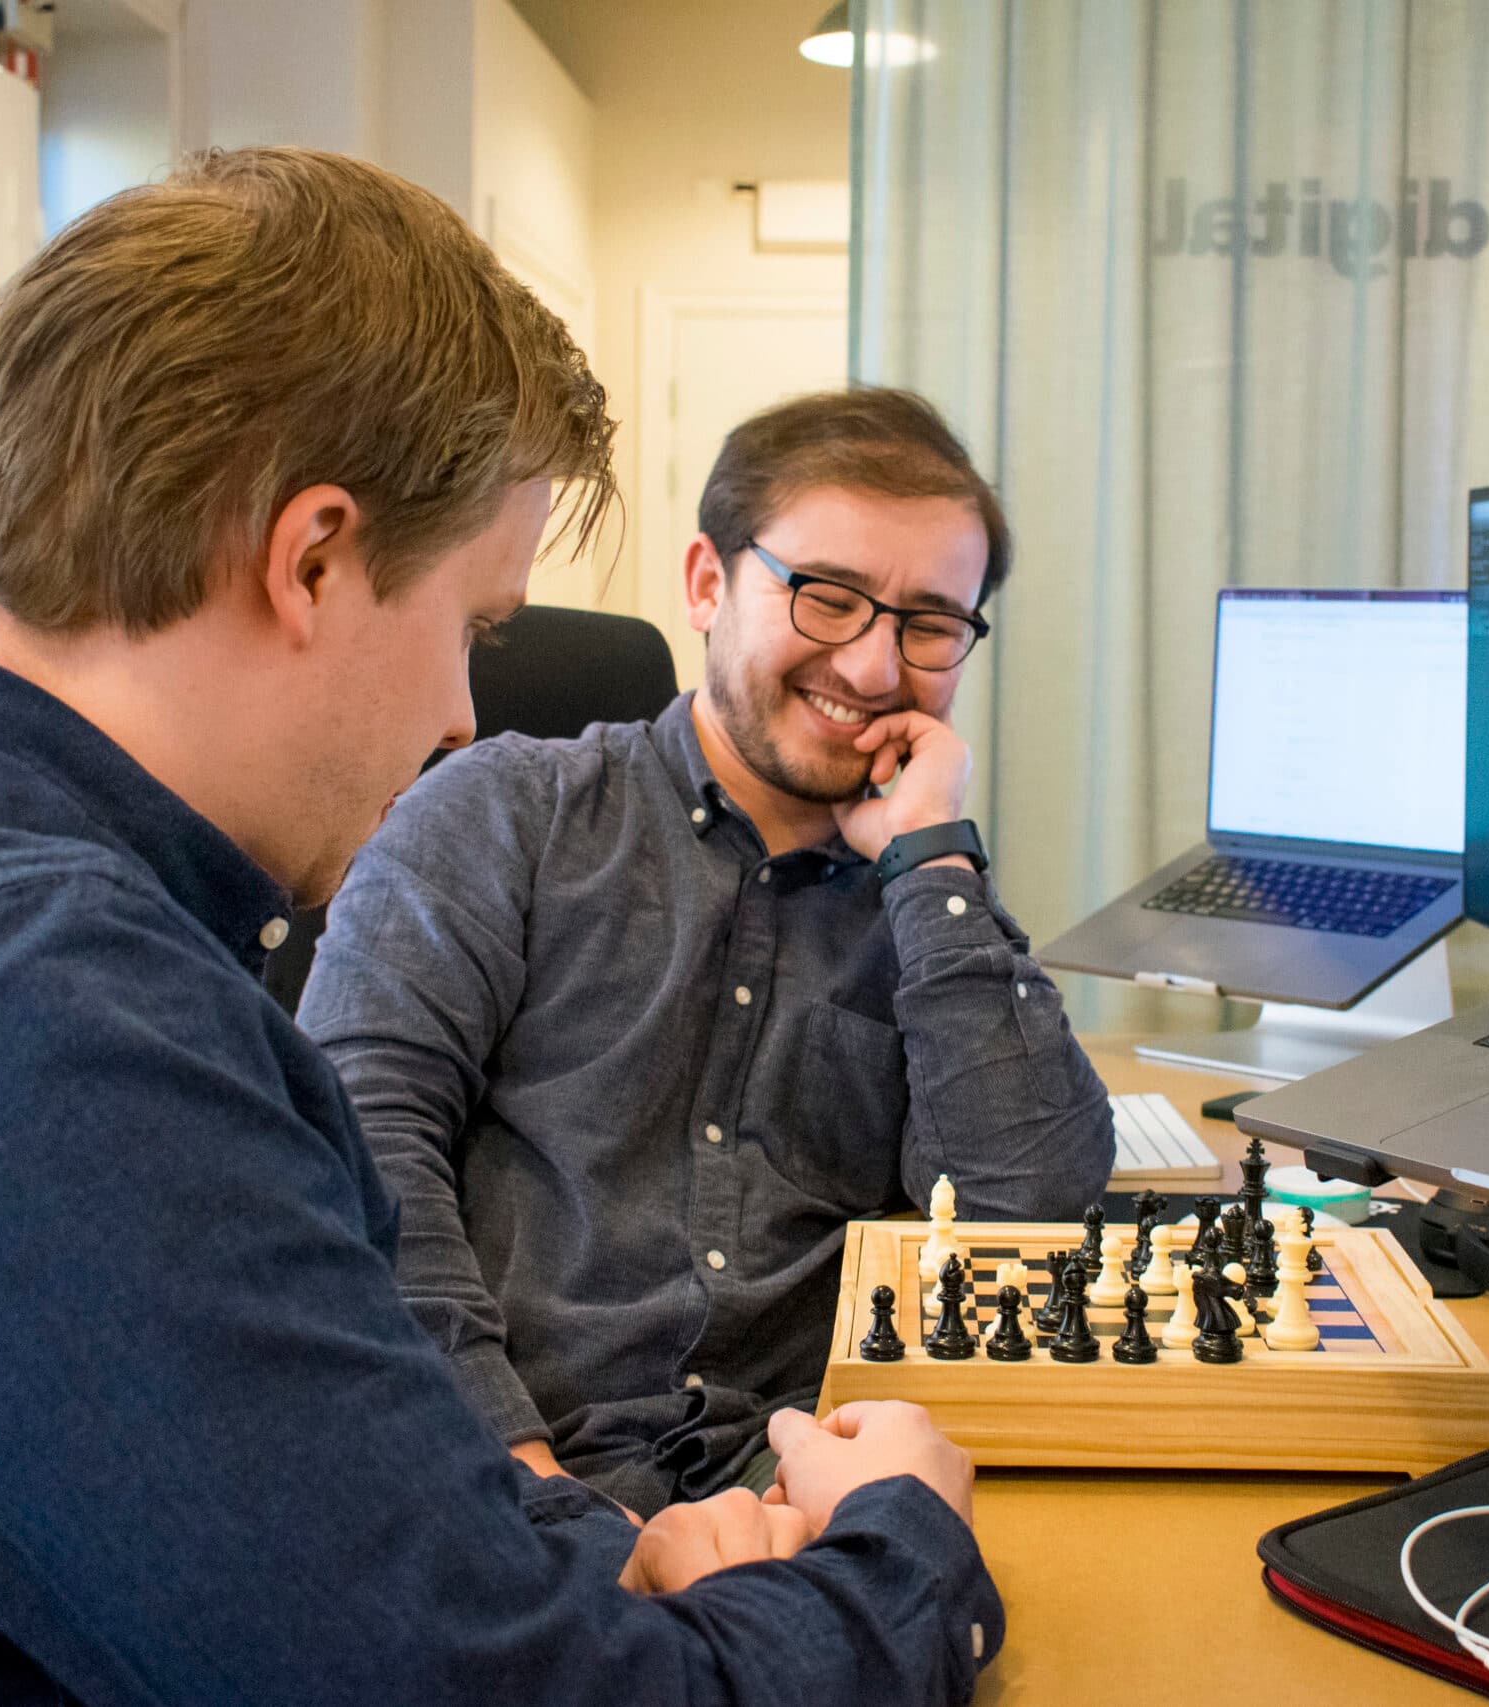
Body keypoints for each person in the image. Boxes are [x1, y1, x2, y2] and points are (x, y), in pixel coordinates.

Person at [0, 147, 999, 1706]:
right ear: (314, 559)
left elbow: (329, 1499)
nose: (458, 712)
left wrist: (583, 1546)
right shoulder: (13, 1021)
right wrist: (906, 1549)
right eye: (471, 627)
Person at [299, 387, 1116, 1515]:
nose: (876, 669)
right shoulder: (503, 814)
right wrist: (526, 1491)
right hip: (487, 1477)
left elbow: (1019, 1226)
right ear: (704, 583)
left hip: (788, 1492)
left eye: (929, 623)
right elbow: (353, 1148)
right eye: (829, 598)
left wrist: (934, 871)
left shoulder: (928, 910)